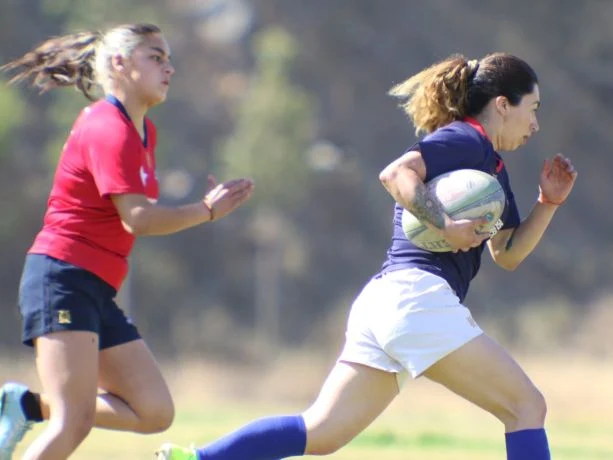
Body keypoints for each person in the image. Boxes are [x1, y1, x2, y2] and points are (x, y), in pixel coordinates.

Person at [156, 52, 577, 460]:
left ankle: (195, 459)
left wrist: (548, 203)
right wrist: (446, 225)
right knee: (526, 407)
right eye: (533, 108)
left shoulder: (492, 169)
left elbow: (507, 253)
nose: (536, 124)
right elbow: (396, 173)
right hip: (418, 297)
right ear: (503, 105)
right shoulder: (465, 138)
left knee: (321, 432)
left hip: (386, 300)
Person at [0, 23, 254, 460]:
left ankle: (25, 406)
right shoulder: (106, 126)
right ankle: (37, 408)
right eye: (155, 57)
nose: (169, 67)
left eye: (168, 58)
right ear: (119, 63)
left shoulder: (144, 132)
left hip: (93, 288)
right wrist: (206, 210)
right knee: (72, 422)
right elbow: (137, 218)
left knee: (154, 411)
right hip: (62, 277)